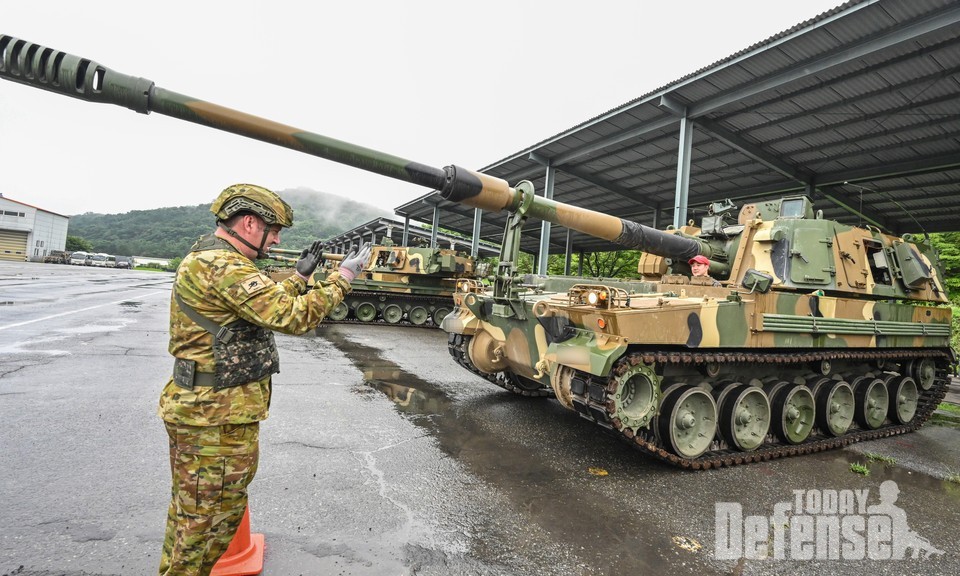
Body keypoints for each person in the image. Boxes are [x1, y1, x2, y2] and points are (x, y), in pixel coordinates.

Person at [156, 183, 371, 576]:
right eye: (274, 231)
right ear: (249, 223)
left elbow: (252, 307)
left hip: (210, 412)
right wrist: (342, 277)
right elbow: (292, 316)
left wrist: (299, 277)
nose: (276, 240)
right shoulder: (223, 265)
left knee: (194, 516)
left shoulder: (213, 259)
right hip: (213, 417)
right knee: (205, 523)